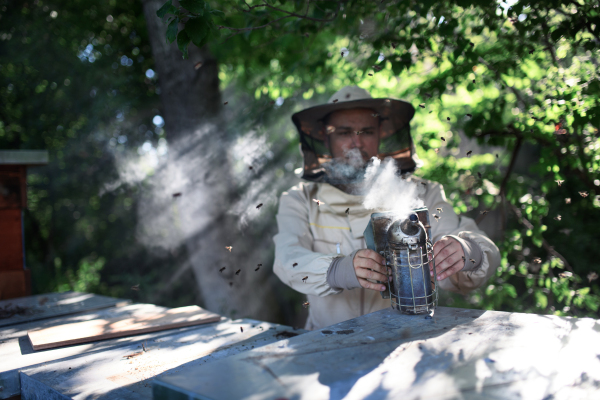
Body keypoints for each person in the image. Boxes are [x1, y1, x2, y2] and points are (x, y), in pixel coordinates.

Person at [273, 86, 501, 331]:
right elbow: (287, 258)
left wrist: (465, 251)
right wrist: (340, 270)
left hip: (406, 343)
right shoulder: (301, 200)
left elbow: (474, 245)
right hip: (327, 344)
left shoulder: (424, 192)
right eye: (344, 132)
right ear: (325, 138)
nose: (356, 142)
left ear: (380, 135)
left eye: (367, 131)